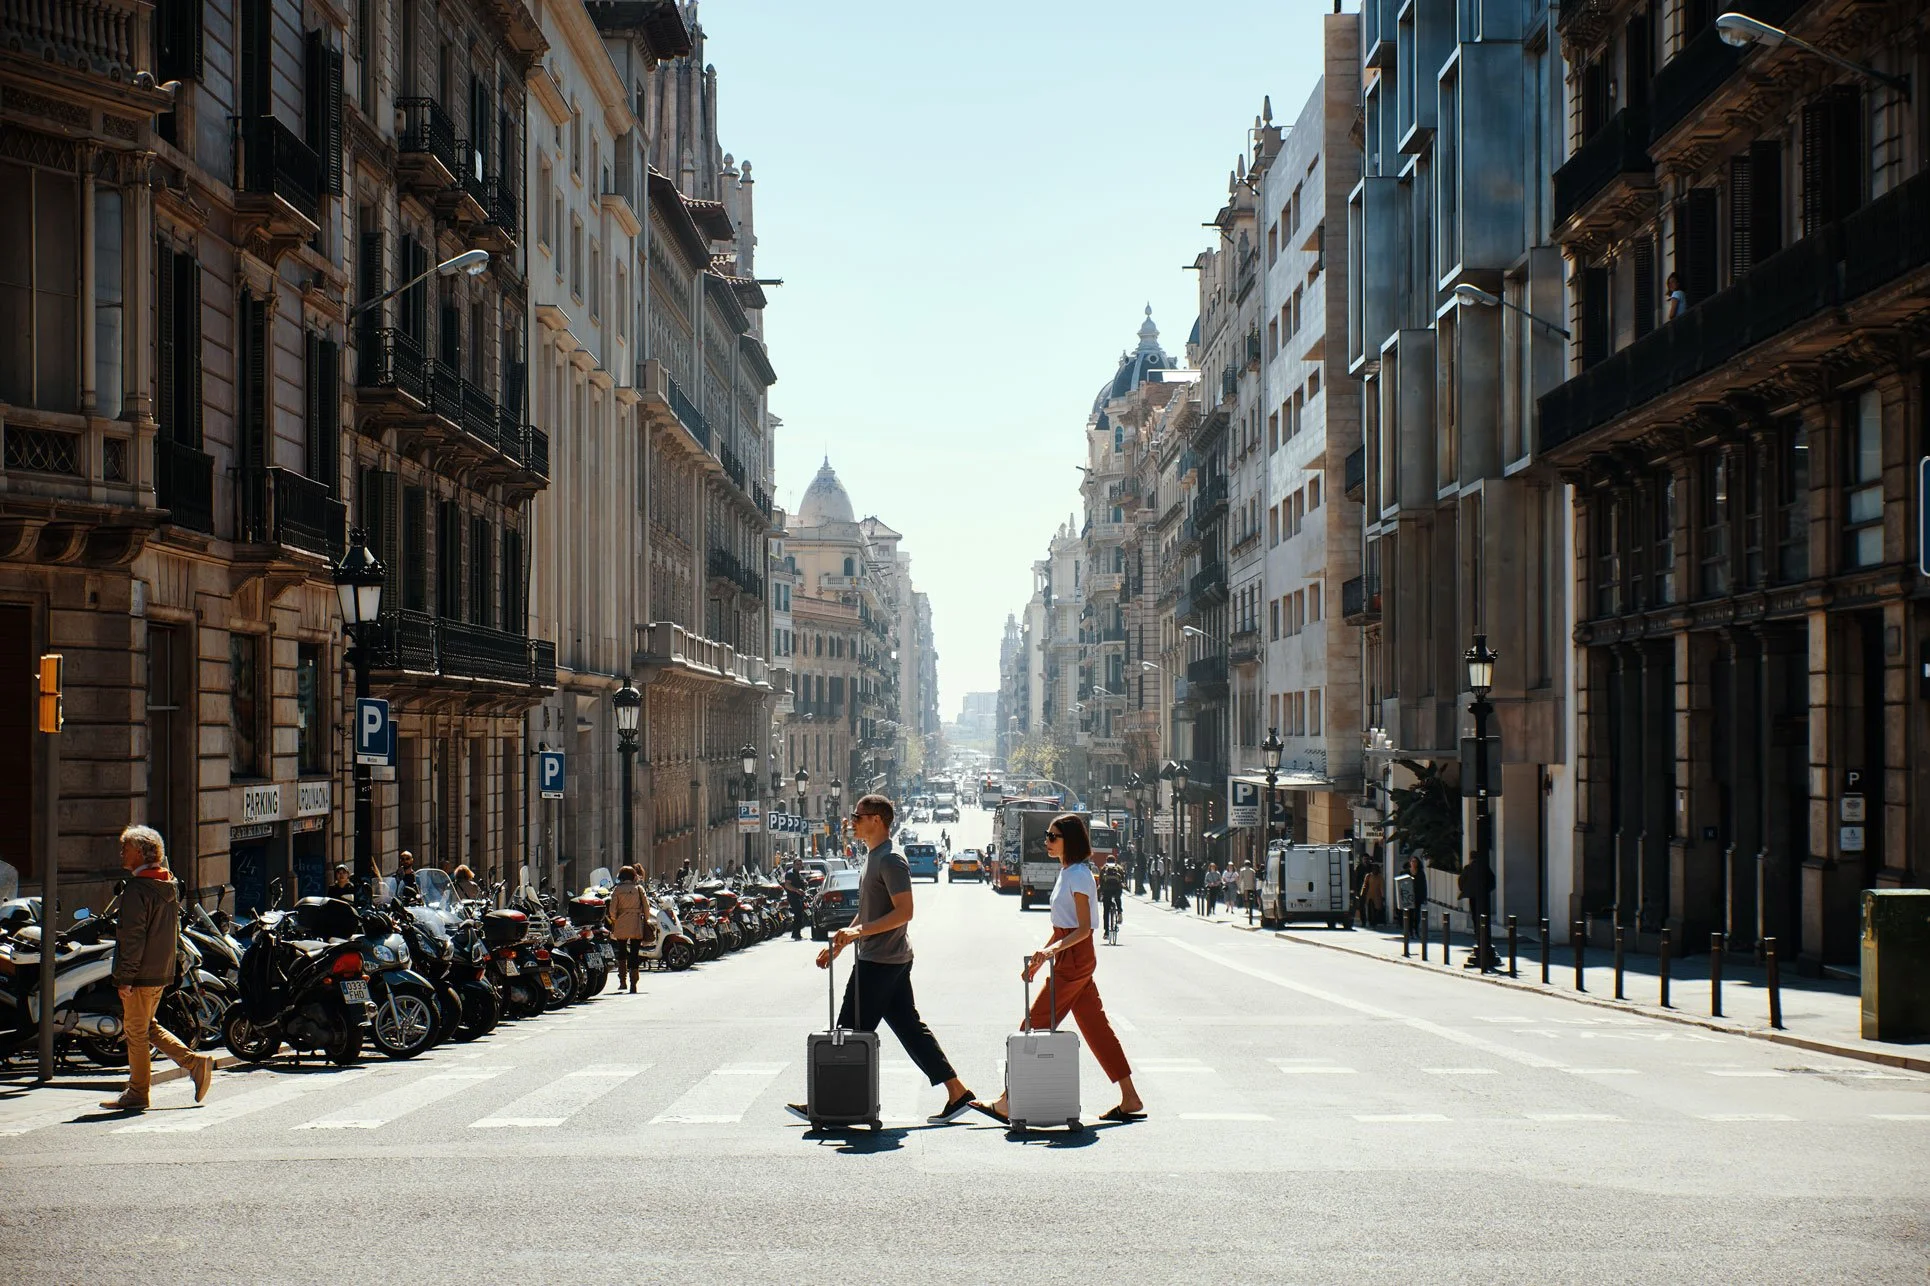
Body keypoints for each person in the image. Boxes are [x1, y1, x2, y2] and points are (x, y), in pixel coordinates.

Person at [787, 794, 977, 1125]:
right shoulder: (873, 857)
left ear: (877, 820)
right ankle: (957, 1092)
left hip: (880, 960)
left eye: (858, 816)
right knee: (910, 1028)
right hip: (889, 958)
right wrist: (841, 944)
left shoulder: (890, 860)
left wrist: (858, 935)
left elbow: (905, 912)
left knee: (847, 1031)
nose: (852, 822)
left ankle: (827, 1102)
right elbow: (867, 911)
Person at [978, 815, 1143, 1124]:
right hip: (1071, 957)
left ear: (1070, 840)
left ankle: (1006, 1101)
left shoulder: (1079, 875)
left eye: (1053, 836)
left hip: (1075, 958)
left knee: (1031, 1025)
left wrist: (1051, 952)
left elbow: (1082, 930)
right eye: (1047, 835)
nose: (1047, 841)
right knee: (1097, 1028)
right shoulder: (1068, 872)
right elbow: (1062, 928)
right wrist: (1041, 959)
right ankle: (1130, 1097)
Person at [101, 825, 213, 1112]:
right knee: (146, 1027)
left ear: (139, 852)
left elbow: (132, 938)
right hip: (159, 971)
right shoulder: (166, 884)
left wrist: (125, 977)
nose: (121, 852)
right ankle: (195, 1063)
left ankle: (138, 1092)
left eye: (125, 847)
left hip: (141, 974)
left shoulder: (139, 889)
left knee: (136, 1031)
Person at [604, 865, 652, 993]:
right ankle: (633, 982)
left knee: (622, 950)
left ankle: (622, 981)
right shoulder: (638, 889)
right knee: (635, 952)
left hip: (621, 922)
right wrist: (645, 919)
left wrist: (614, 919)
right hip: (636, 922)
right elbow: (646, 907)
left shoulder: (617, 890)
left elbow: (612, 909)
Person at [782, 858, 809, 941]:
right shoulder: (790, 873)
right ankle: (796, 934)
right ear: (794, 865)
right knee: (798, 915)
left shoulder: (797, 873)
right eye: (797, 864)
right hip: (793, 897)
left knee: (800, 915)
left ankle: (797, 933)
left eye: (800, 865)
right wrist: (797, 890)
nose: (799, 866)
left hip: (799, 897)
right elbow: (787, 885)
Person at [1098, 858, 1125, 943]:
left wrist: (1101, 891)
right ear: (1115, 861)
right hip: (1117, 889)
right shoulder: (1119, 868)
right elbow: (1122, 881)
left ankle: (1106, 932)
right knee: (1118, 898)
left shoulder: (1104, 868)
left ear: (1106, 861)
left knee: (1106, 910)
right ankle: (1119, 912)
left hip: (1107, 890)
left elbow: (1101, 882)